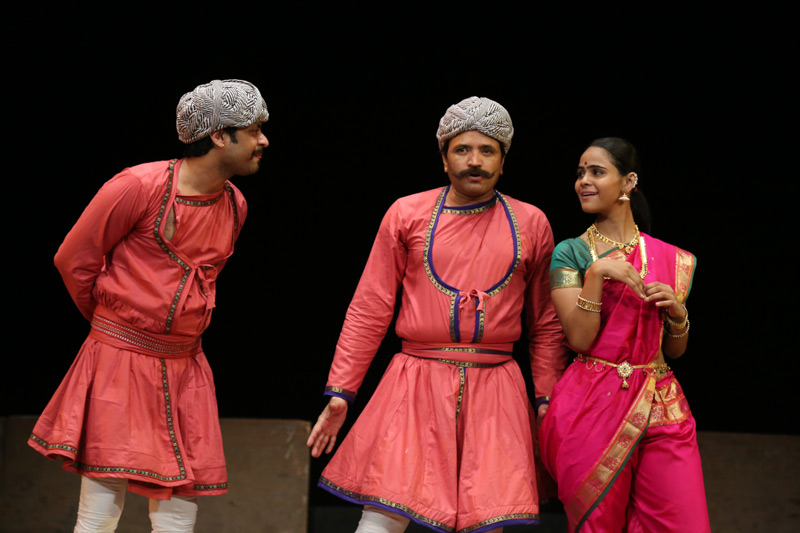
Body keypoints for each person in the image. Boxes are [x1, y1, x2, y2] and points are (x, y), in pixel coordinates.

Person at [306, 96, 566, 533]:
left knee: (488, 518)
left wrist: (547, 399)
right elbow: (370, 307)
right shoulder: (406, 213)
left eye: (487, 150)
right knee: (383, 514)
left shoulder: (532, 222)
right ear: (444, 158)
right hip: (414, 383)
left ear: (503, 161)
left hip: (496, 390)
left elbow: (546, 323)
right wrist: (341, 391)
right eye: (462, 149)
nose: (474, 161)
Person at [28, 79, 269, 532]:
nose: (264, 141)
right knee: (101, 506)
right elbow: (73, 259)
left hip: (185, 364)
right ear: (220, 135)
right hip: (121, 357)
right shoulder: (137, 186)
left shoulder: (235, 204)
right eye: (254, 130)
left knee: (180, 505)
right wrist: (111, 325)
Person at [539, 137, 710, 532]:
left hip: (661, 402)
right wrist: (597, 274)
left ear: (629, 181)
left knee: (682, 522)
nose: (583, 181)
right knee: (599, 524)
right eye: (580, 173)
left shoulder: (673, 258)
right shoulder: (571, 253)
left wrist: (678, 315)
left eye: (596, 172)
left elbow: (674, 351)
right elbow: (580, 340)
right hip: (592, 406)